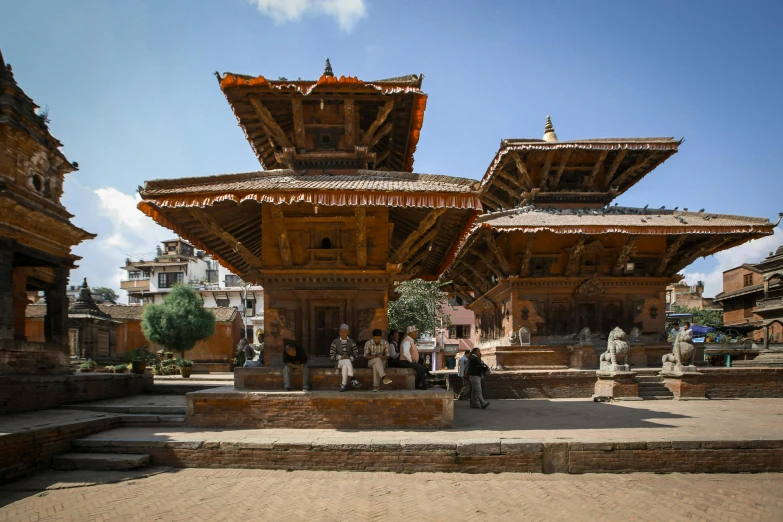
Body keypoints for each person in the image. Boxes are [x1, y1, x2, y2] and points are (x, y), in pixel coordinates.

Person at [329, 323, 361, 392]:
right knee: (346, 361)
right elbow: (332, 355)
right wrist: (341, 357)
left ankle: (343, 385)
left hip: (348, 363)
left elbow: (356, 354)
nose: (343, 334)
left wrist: (350, 358)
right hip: (338, 362)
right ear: (339, 333)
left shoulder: (352, 341)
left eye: (345, 332)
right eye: (341, 332)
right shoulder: (335, 342)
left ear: (348, 333)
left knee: (345, 366)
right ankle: (352, 378)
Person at [399, 325, 428, 390]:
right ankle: (421, 384)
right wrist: (411, 360)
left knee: (420, 367)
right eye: (415, 332)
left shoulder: (410, 340)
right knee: (420, 367)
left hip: (407, 361)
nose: (416, 334)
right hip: (405, 362)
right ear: (410, 333)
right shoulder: (407, 341)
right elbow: (405, 352)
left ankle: (420, 382)